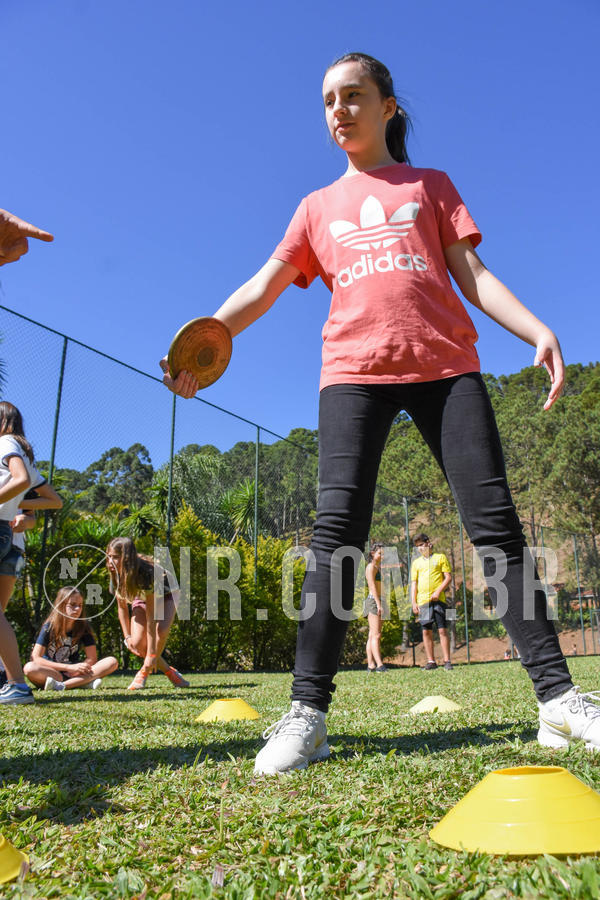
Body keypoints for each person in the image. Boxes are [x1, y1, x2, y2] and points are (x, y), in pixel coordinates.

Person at [162, 52, 599, 772]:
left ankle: (558, 700)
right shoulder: (315, 207)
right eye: (328, 100)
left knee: (494, 523)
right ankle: (307, 714)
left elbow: (472, 274)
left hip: (447, 367)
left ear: (388, 106)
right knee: (336, 536)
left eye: (353, 95)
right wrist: (206, 341)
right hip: (352, 376)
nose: (339, 110)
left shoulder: (430, 186)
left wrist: (536, 328)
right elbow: (265, 285)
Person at [0, 402, 55, 705]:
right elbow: (54, 500)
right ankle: (12, 681)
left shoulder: (5, 444)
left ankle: (15, 684)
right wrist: (19, 507)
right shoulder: (23, 454)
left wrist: (18, 508)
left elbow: (20, 480)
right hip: (8, 537)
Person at [106, 537, 190, 690]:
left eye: (115, 557)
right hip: (142, 596)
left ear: (126, 558)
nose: (110, 561)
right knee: (137, 644)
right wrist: (127, 637)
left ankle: (143, 673)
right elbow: (122, 608)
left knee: (161, 631)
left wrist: (151, 655)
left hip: (167, 593)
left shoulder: (146, 573)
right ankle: (169, 671)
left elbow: (152, 617)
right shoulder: (115, 573)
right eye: (109, 556)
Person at [24, 587, 118, 691]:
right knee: (29, 668)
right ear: (61, 605)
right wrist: (68, 668)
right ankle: (81, 683)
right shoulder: (49, 627)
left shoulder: (84, 627)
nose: (77, 609)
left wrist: (80, 668)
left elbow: (92, 658)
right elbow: (36, 658)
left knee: (112, 662)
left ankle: (62, 686)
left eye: (80, 605)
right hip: (52, 672)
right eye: (73, 605)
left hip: (75, 673)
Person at [410, 533, 453, 670]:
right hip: (423, 602)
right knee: (426, 632)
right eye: (418, 546)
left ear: (428, 543)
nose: (420, 548)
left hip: (439, 601)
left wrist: (438, 592)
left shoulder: (440, 557)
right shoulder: (416, 563)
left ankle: (447, 661)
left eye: (422, 544)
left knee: (442, 630)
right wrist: (414, 602)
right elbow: (414, 584)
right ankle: (431, 662)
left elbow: (448, 578)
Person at [364, 542, 387, 672]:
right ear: (372, 553)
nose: (382, 556)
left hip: (380, 600)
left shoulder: (378, 567)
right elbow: (372, 586)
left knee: (373, 634)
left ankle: (371, 665)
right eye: (380, 553)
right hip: (373, 601)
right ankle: (379, 665)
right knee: (376, 635)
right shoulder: (370, 567)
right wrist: (378, 604)